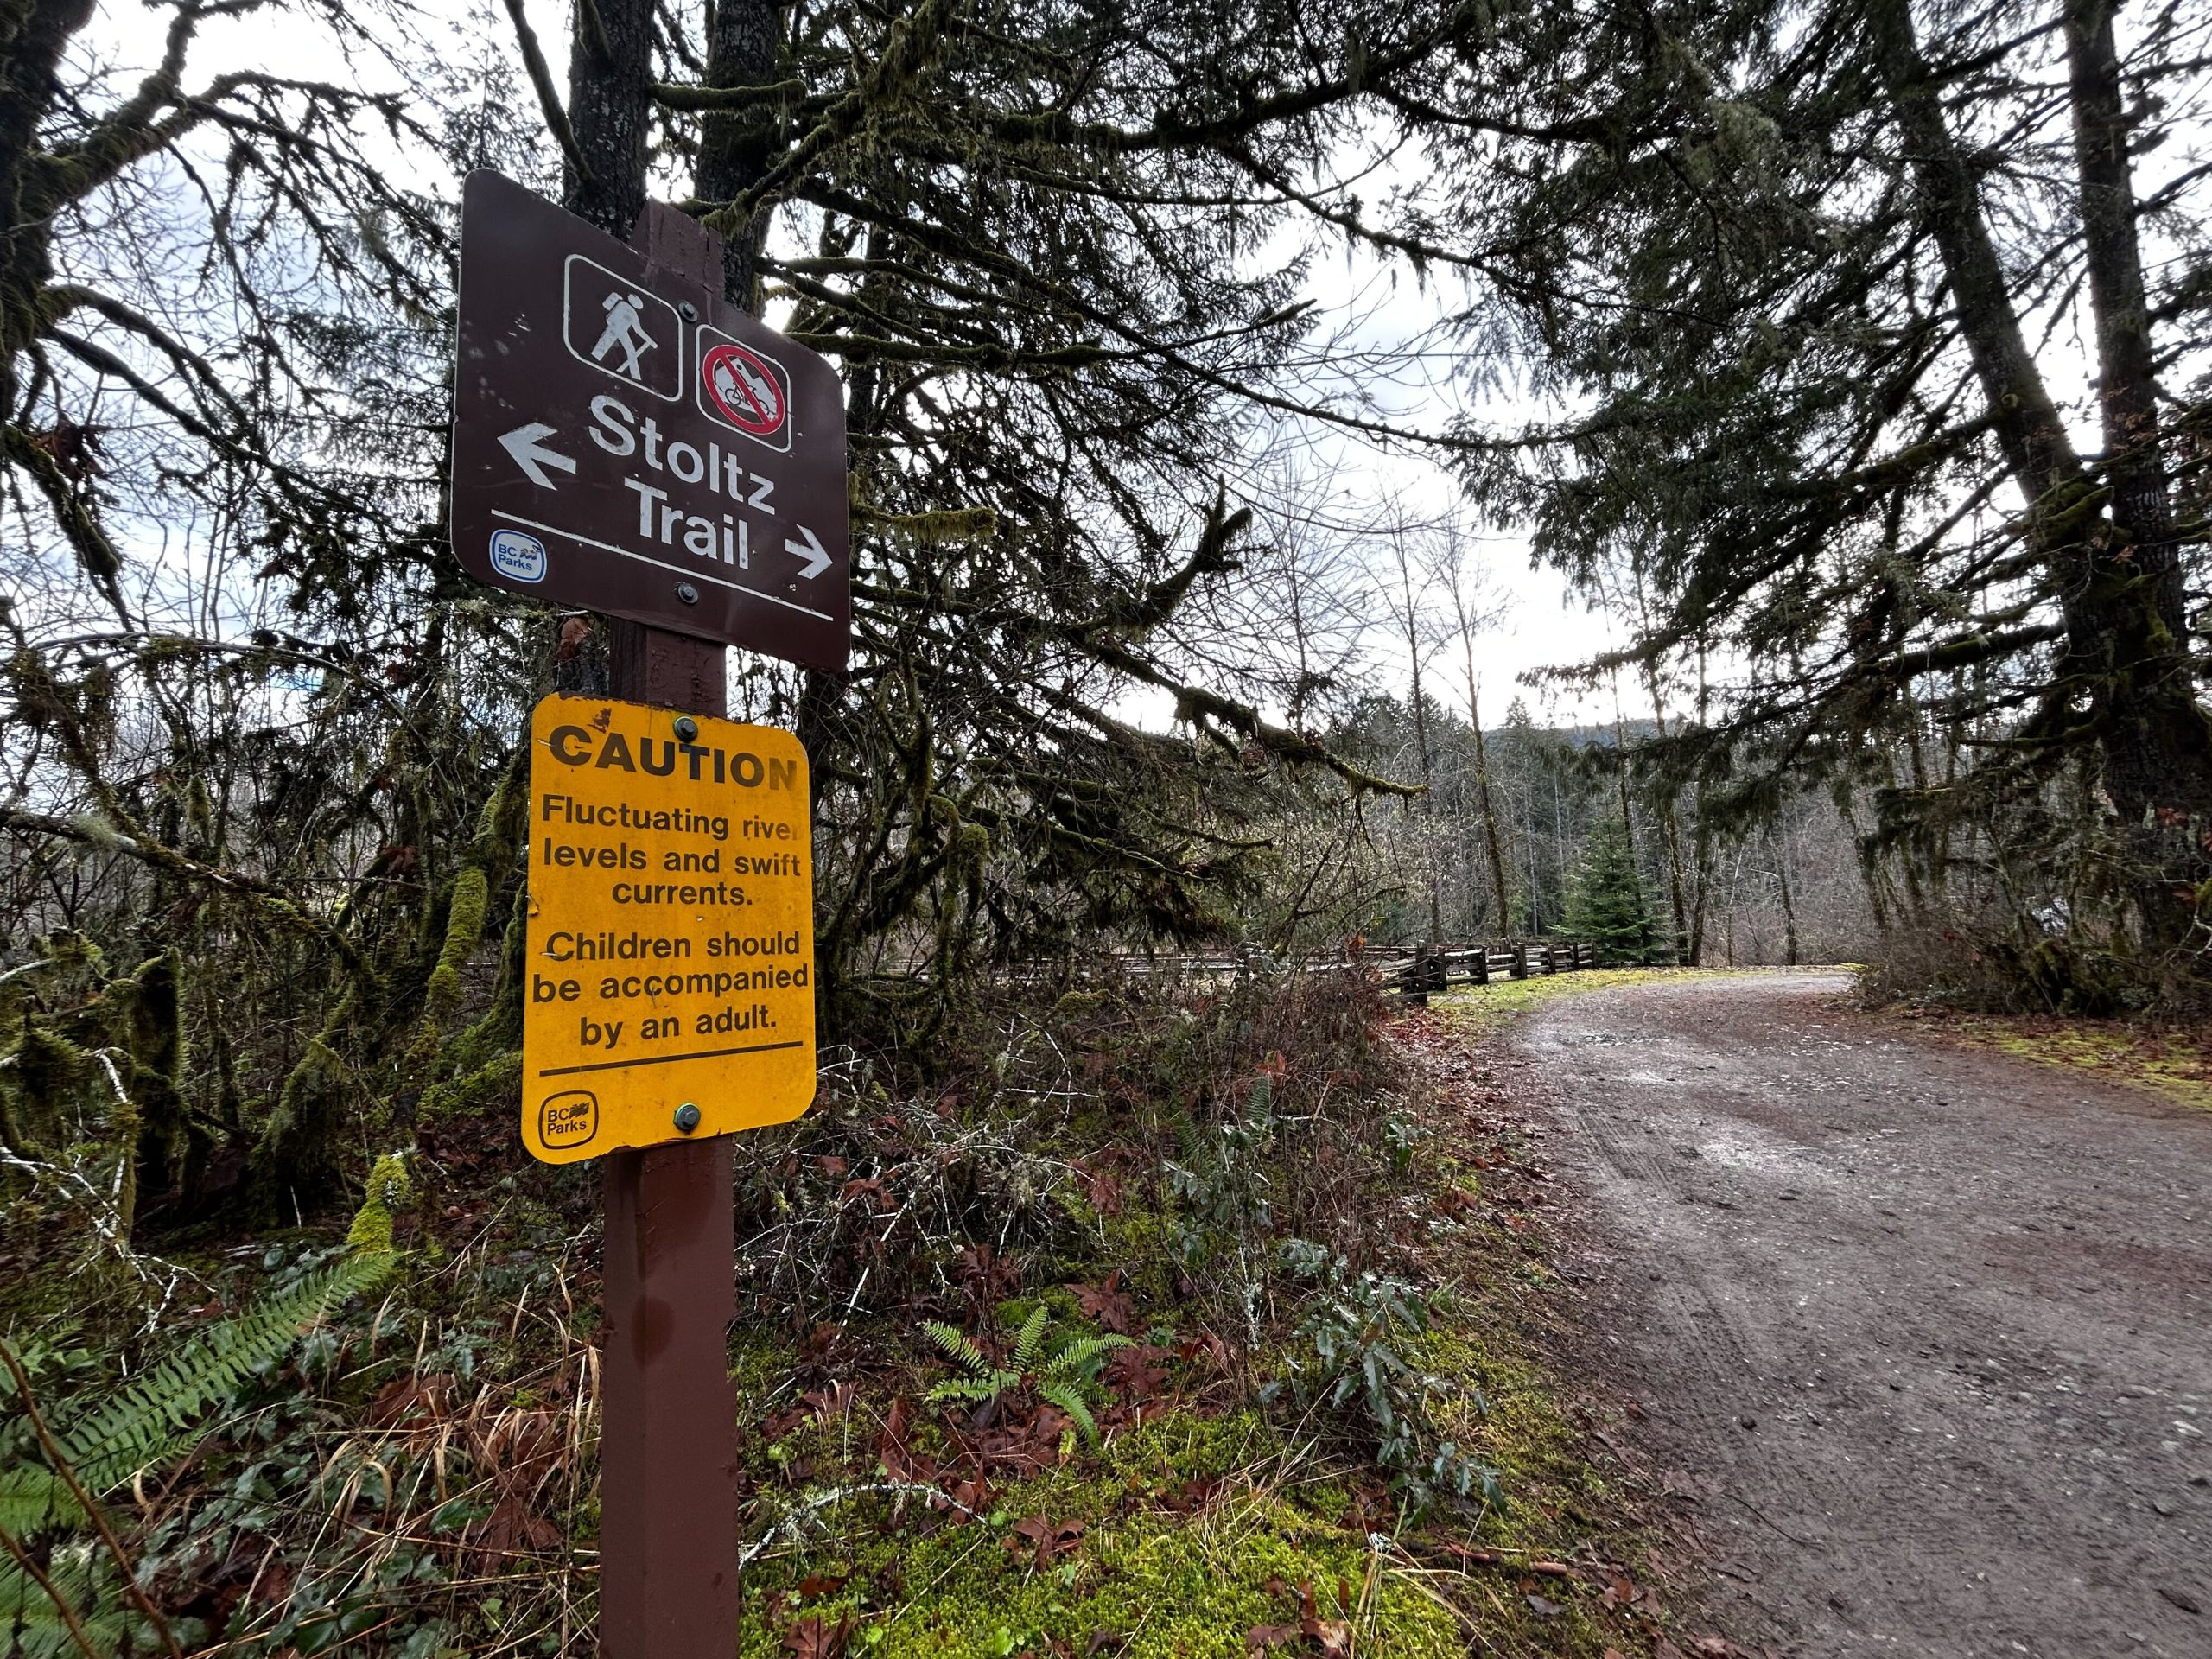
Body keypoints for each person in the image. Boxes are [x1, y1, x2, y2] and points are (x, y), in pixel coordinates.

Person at [591, 290, 656, 380]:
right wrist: (651, 342)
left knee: (628, 349)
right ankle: (635, 375)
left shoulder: (626, 308)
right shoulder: (627, 308)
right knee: (607, 344)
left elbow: (638, 330)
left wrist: (651, 342)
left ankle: (635, 375)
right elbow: (638, 330)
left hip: (618, 330)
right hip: (616, 328)